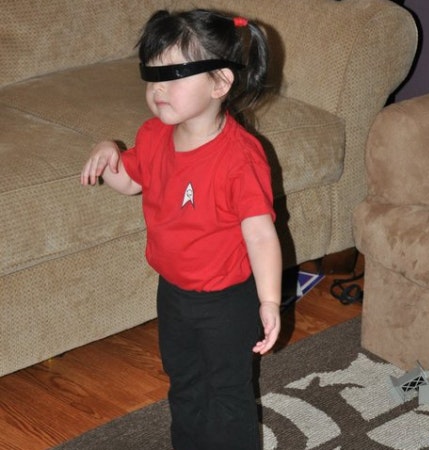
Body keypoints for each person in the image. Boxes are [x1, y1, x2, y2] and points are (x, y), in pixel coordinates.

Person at [80, 9, 281, 450]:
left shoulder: (240, 157)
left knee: (227, 391)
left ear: (220, 83)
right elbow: (131, 181)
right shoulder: (154, 135)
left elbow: (261, 235)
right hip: (172, 293)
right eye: (152, 76)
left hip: (227, 301)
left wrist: (269, 300)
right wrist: (109, 154)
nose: (158, 90)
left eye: (172, 76)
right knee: (184, 380)